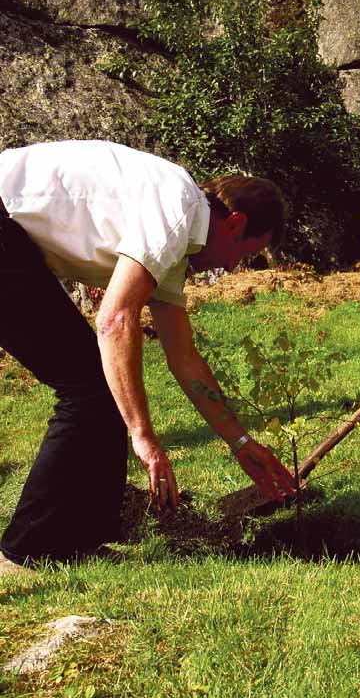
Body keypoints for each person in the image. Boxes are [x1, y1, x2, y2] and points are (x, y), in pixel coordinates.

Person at [0, 139, 296, 570]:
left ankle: (85, 537)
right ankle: (25, 552)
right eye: (244, 254)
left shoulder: (177, 244)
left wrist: (241, 441)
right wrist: (145, 439)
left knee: (101, 384)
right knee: (89, 385)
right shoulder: (176, 207)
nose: (233, 268)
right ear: (234, 224)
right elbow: (115, 321)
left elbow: (184, 357)